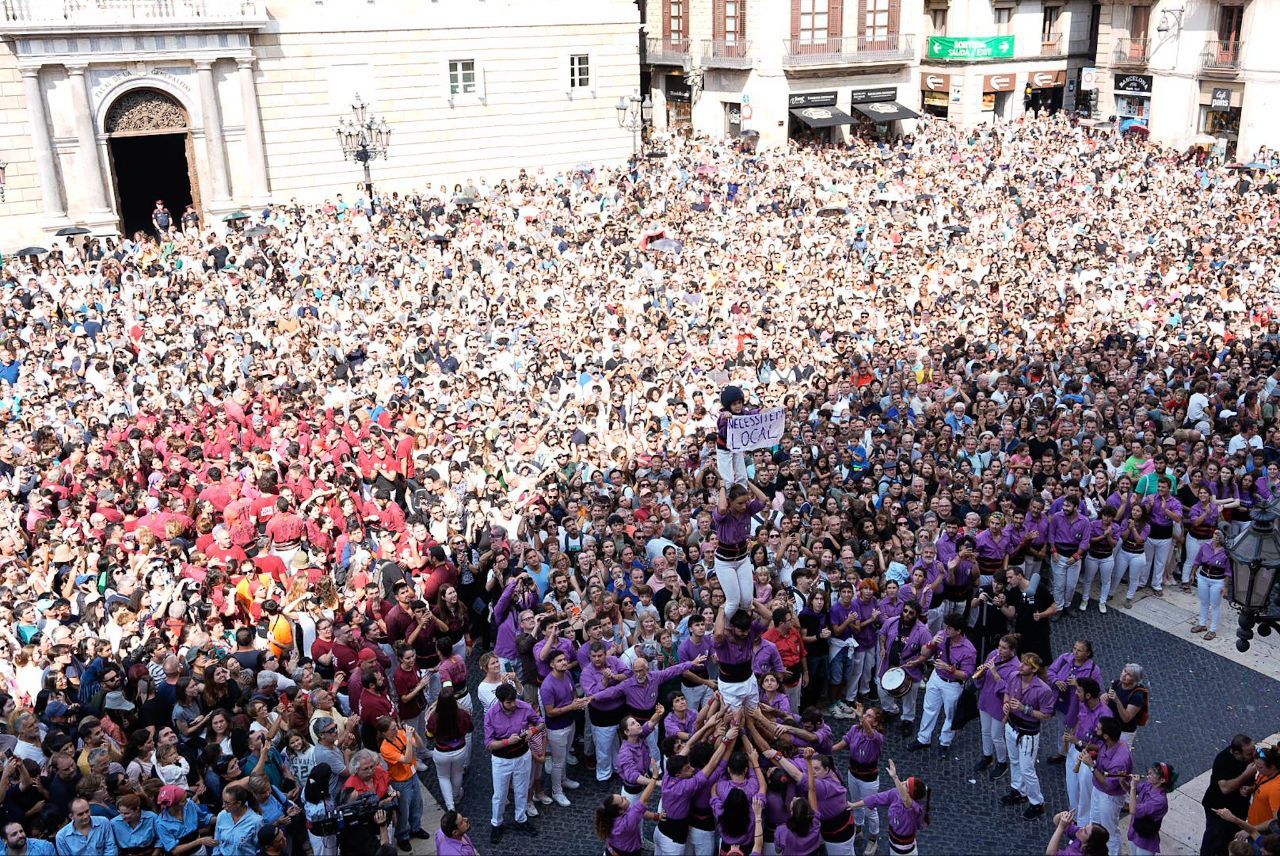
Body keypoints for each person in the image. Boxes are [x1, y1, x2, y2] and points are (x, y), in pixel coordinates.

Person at [999, 653, 1056, 820]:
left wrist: (1025, 709)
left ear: (1034, 669)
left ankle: (1037, 802)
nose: (1021, 666)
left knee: (1027, 769)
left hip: (1028, 733)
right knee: (1014, 761)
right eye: (1022, 662)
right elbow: (1007, 693)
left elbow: (1046, 715)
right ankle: (1018, 791)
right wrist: (1005, 704)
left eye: (1025, 664)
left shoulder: (1043, 690)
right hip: (1011, 725)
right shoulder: (1013, 676)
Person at [909, 614, 975, 752]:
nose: (945, 630)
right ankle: (923, 739)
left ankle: (945, 742)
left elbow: (966, 675)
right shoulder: (941, 635)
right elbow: (924, 653)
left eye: (949, 628)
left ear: (958, 631)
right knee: (929, 709)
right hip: (936, 678)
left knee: (950, 714)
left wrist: (948, 668)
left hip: (953, 685)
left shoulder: (969, 650)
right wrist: (931, 643)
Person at [484, 682, 541, 843]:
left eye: (514, 700)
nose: (513, 704)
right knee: (500, 794)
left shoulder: (523, 707)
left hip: (522, 756)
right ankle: (497, 823)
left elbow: (540, 722)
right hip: (502, 760)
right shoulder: (491, 715)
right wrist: (507, 742)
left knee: (522, 790)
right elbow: (488, 743)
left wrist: (532, 731)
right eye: (509, 702)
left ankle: (521, 819)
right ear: (500, 701)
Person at [850, 760, 929, 856]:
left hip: (906, 852)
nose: (902, 783)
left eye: (906, 785)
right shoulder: (896, 793)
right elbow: (875, 798)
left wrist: (895, 777)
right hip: (893, 844)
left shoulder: (915, 808)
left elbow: (906, 801)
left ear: (910, 794)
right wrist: (853, 805)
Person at [714, 483, 768, 617]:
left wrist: (747, 481)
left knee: (747, 600)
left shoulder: (748, 509)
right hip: (725, 562)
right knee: (733, 601)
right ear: (730, 502)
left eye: (745, 502)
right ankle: (721, 628)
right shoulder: (724, 514)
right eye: (739, 503)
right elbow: (721, 508)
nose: (744, 506)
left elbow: (763, 499)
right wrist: (722, 487)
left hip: (743, 558)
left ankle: (740, 626)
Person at [972, 633, 1021, 781]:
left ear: (1012, 651)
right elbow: (984, 677)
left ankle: (1001, 762)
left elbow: (1009, 689)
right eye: (999, 646)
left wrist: (993, 671)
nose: (999, 650)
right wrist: (980, 674)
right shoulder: (993, 655)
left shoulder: (1016, 667)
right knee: (985, 731)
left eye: (1004, 648)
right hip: (986, 699)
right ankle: (987, 756)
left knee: (997, 736)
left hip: (999, 705)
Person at [1082, 718, 1133, 856]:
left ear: (1106, 735)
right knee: (1095, 824)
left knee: (1109, 831)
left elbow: (1108, 784)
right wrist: (1086, 745)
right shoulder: (1109, 743)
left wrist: (1091, 766)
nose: (1095, 730)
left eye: (1098, 729)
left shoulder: (1120, 759)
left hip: (1110, 797)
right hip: (1099, 790)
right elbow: (1101, 748)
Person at [376, 715, 426, 850]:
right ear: (384, 733)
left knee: (417, 804)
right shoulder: (385, 748)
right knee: (404, 811)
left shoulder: (400, 733)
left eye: (396, 727)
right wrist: (409, 739)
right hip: (401, 782)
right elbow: (408, 759)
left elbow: (420, 746)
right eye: (392, 729)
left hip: (413, 775)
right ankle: (402, 836)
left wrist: (414, 733)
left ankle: (415, 828)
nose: (396, 730)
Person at [426, 686, 474, 811]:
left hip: (441, 752)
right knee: (457, 773)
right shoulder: (462, 714)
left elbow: (429, 736)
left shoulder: (434, 717)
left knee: (443, 777)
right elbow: (470, 728)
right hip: (460, 750)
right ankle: (456, 795)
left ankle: (450, 806)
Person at [595, 775, 658, 856]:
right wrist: (654, 778)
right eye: (622, 800)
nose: (624, 797)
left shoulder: (609, 818)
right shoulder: (627, 822)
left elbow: (640, 812)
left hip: (613, 850)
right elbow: (644, 800)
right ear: (620, 810)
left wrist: (656, 816)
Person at [1190, 528, 1232, 640]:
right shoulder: (1205, 546)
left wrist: (1226, 586)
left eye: (1219, 535)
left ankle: (1213, 629)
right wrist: (1193, 573)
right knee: (1204, 602)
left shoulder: (1226, 552)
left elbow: (1228, 572)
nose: (1216, 537)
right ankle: (1202, 624)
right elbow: (1197, 560)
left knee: (1215, 605)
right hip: (1203, 577)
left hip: (1217, 580)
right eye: (1215, 534)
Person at [1128, 762, 1176, 856]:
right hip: (1134, 831)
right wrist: (1123, 780)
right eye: (1151, 770)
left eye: (1153, 773)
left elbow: (1133, 810)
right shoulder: (1148, 785)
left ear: (1162, 780)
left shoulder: (1160, 801)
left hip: (1145, 840)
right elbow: (1129, 791)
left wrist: (1133, 788)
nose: (1149, 772)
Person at [1046, 810, 1111, 856]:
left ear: (1090, 842)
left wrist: (1061, 826)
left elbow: (1050, 853)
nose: (1081, 829)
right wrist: (1062, 815)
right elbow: (1056, 821)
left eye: (1085, 832)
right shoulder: (1081, 838)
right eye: (1085, 827)